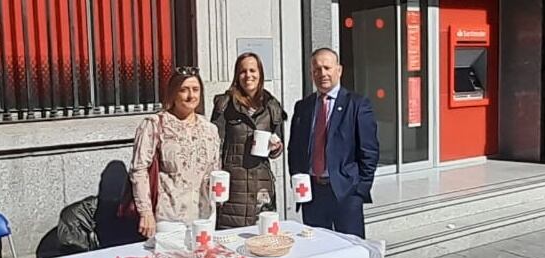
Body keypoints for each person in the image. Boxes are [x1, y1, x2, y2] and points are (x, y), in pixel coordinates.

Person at [287, 47, 379, 238]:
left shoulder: (357, 104)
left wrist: (360, 190)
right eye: (317, 69)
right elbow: (294, 148)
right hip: (312, 194)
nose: (323, 74)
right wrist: (297, 179)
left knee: (350, 250)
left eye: (327, 68)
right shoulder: (303, 106)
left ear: (339, 70)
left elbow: (369, 151)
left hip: (345, 193)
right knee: (317, 249)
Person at [130, 67, 221, 240]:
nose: (190, 96)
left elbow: (214, 170)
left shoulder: (210, 129)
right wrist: (146, 212)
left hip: (204, 216)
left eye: (195, 90)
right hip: (169, 216)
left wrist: (218, 190)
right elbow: (139, 169)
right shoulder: (155, 124)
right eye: (183, 90)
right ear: (173, 93)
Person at [211, 52, 287, 228]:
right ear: (237, 75)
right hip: (233, 185)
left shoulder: (272, 105)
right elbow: (214, 146)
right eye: (243, 71)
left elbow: (278, 146)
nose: (248, 75)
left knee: (261, 240)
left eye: (253, 70)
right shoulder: (225, 104)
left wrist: (276, 147)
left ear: (260, 73)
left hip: (261, 185)